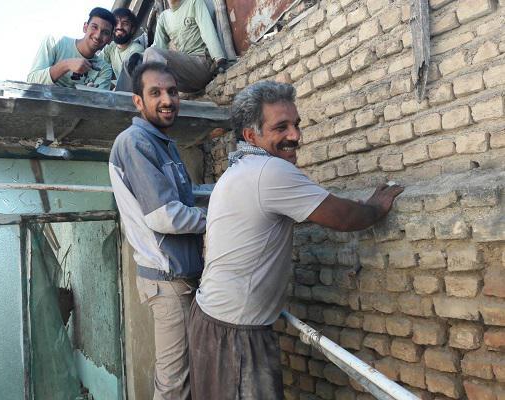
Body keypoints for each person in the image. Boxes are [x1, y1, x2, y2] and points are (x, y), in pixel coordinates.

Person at [188, 81, 404, 400]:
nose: (295, 136)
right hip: (234, 333)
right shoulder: (270, 172)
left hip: (213, 320)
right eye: (281, 127)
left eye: (296, 125)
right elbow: (343, 218)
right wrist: (374, 208)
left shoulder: (240, 170)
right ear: (251, 136)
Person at [109, 62, 207, 400]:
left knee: (181, 377)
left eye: (172, 91)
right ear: (138, 101)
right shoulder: (135, 142)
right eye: (156, 93)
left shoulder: (164, 143)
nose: (167, 100)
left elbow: (186, 199)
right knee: (174, 384)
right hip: (167, 280)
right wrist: (219, 217)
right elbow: (164, 215)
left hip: (179, 278)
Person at [116, 0, 226, 93]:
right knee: (128, 61)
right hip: (182, 78)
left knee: (150, 53)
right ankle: (119, 108)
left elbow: (208, 32)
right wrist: (139, 56)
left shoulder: (194, 3)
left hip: (200, 67)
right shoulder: (164, 17)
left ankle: (153, 99)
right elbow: (157, 46)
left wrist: (219, 59)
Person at [27, 7, 114, 90]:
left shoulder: (104, 69)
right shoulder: (55, 42)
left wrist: (89, 94)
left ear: (110, 40)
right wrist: (66, 65)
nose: (98, 35)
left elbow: (99, 101)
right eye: (94, 27)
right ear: (85, 27)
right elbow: (32, 81)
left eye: (105, 32)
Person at [101, 8, 144, 84]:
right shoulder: (111, 47)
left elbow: (129, 80)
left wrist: (109, 84)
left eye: (125, 23)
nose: (119, 27)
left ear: (132, 29)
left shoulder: (136, 49)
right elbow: (98, 65)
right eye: (116, 23)